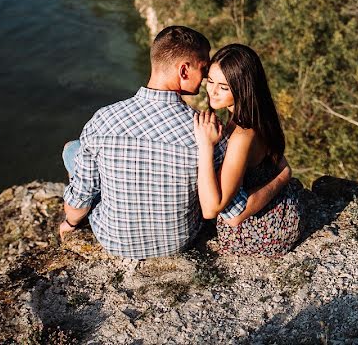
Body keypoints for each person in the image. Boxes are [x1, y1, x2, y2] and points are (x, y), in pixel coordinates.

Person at [60, 26, 291, 259]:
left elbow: (81, 196)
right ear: (184, 70)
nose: (204, 82)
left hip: (113, 240)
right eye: (204, 72)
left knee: (74, 150)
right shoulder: (207, 132)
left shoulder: (102, 119)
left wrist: (70, 224)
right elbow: (230, 206)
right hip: (178, 241)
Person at [193, 43, 304, 256]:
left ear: (243, 88)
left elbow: (212, 210)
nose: (212, 92)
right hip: (276, 207)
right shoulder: (257, 113)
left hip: (261, 230)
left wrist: (205, 146)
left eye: (224, 87)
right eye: (211, 81)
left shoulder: (243, 135)